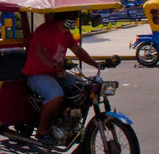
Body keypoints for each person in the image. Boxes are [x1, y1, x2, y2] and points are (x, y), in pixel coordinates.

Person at [22, 10, 112, 146]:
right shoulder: (46, 30)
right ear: (64, 18)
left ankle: (72, 124)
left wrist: (95, 64)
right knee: (56, 96)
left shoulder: (66, 33)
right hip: (37, 74)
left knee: (84, 89)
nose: (75, 20)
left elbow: (78, 50)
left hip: (57, 73)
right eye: (73, 17)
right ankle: (42, 131)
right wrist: (51, 64)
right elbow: (39, 51)